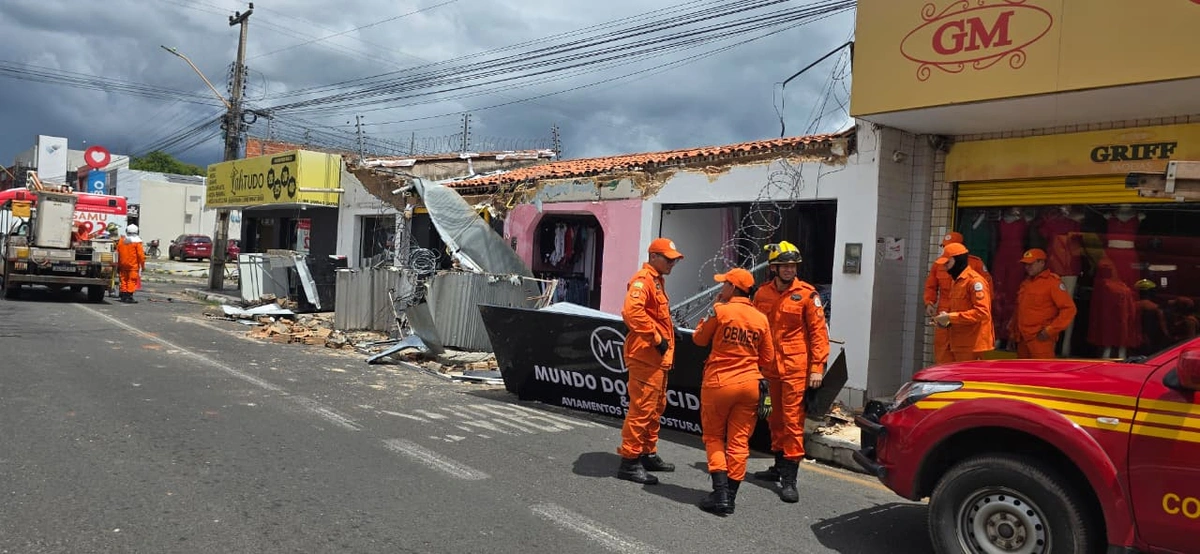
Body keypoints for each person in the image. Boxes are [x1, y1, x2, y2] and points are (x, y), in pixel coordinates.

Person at [692, 268, 775, 516]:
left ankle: (720, 495)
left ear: (732, 287)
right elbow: (768, 358)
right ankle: (731, 497)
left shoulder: (720, 310)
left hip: (720, 383)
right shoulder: (760, 318)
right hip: (750, 384)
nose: (720, 289)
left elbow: (699, 339)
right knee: (739, 443)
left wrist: (713, 310)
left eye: (724, 284)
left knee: (714, 438)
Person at [750, 241, 828, 503]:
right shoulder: (761, 294)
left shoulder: (807, 295)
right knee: (774, 419)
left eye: (793, 266)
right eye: (784, 265)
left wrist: (817, 368)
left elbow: (819, 334)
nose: (789, 270)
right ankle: (778, 466)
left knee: (793, 423)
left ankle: (790, 478)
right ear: (774, 267)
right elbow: (756, 330)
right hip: (769, 367)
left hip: (796, 369)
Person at [616, 237, 683, 485]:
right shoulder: (643, 280)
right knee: (642, 409)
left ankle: (647, 452)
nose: (672, 264)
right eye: (668, 259)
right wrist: (656, 338)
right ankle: (629, 462)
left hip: (657, 358)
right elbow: (631, 312)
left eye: (674, 260)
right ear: (653, 256)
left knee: (655, 409)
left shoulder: (656, 282)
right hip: (646, 355)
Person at [924, 232, 992, 364]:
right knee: (944, 366)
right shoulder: (947, 270)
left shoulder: (974, 275)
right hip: (949, 323)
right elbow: (930, 285)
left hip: (969, 334)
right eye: (944, 247)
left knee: (967, 375)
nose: (945, 266)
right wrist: (929, 303)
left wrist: (951, 317)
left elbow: (983, 310)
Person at [1009, 248, 1077, 359]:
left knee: (1043, 372)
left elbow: (1069, 309)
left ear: (1041, 263)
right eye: (1025, 264)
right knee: (1023, 373)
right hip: (1022, 339)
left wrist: (1050, 330)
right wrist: (1013, 333)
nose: (1027, 267)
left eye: (1031, 264)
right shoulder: (1026, 283)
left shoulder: (1052, 283)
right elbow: (1019, 310)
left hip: (1040, 339)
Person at [115, 224, 146, 304]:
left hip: (122, 264)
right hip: (133, 265)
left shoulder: (122, 241)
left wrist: (118, 264)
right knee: (131, 280)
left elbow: (117, 253)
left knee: (123, 280)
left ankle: (123, 295)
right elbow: (141, 256)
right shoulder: (137, 242)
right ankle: (129, 296)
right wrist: (142, 266)